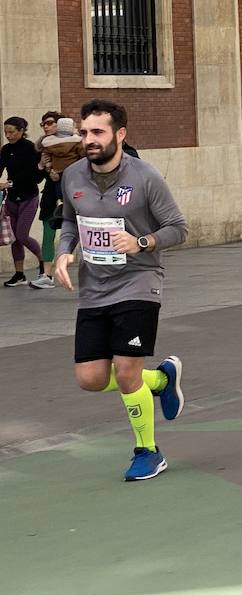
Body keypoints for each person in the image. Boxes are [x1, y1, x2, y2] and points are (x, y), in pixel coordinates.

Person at [54, 99, 189, 481]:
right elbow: (69, 221)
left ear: (120, 134)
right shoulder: (74, 176)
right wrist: (64, 253)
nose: (88, 140)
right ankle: (161, 380)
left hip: (139, 282)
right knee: (91, 378)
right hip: (94, 287)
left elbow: (178, 228)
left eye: (97, 132)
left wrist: (141, 243)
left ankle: (147, 451)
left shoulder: (146, 177)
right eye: (84, 132)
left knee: (128, 373)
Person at [32, 114, 83, 289]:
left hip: (73, 191)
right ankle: (46, 274)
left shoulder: (76, 143)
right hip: (50, 192)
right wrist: (41, 166)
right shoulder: (44, 147)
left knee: (78, 228)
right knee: (48, 227)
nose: (46, 127)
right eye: (43, 124)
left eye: (50, 123)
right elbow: (36, 178)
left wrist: (59, 173)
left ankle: (85, 269)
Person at [0, 116, 45, 286]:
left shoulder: (30, 148)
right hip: (11, 198)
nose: (8, 135)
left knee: (22, 234)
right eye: (6, 132)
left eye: (11, 132)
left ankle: (44, 262)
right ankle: (19, 274)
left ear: (21, 131)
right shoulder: (5, 150)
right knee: (15, 238)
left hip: (28, 197)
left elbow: (35, 177)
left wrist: (8, 183)